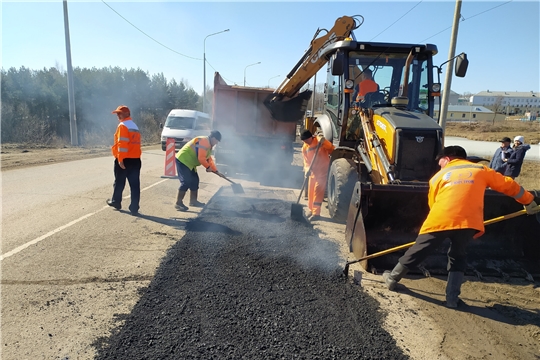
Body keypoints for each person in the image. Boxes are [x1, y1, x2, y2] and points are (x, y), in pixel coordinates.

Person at [381, 145, 539, 308]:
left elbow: (432, 203)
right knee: (458, 256)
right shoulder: (481, 170)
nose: (439, 165)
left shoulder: (437, 177)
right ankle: (452, 300)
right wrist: (528, 201)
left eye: (440, 161)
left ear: (448, 158)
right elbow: (509, 185)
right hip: (469, 222)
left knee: (419, 250)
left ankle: (392, 278)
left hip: (440, 219)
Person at [107, 105, 142, 215]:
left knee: (119, 182)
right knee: (135, 185)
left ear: (127, 114)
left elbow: (122, 144)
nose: (118, 115)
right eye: (117, 113)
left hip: (125, 159)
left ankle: (116, 201)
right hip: (136, 159)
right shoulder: (134, 126)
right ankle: (134, 207)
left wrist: (120, 159)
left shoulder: (123, 126)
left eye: (120, 113)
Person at [174, 130, 222, 211]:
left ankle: (193, 201)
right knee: (186, 182)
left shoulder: (209, 145)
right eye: (217, 141)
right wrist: (207, 167)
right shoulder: (204, 141)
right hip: (183, 160)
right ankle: (178, 203)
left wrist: (216, 171)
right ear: (213, 138)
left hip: (190, 163)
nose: (217, 143)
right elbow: (201, 158)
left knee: (195, 181)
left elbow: (209, 159)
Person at [300, 130, 335, 221]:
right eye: (304, 141)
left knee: (317, 190)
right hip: (313, 172)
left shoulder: (319, 140)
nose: (306, 142)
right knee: (310, 191)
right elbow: (306, 162)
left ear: (311, 137)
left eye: (306, 140)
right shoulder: (304, 147)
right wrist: (307, 170)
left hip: (322, 170)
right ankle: (311, 210)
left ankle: (316, 214)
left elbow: (331, 149)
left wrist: (324, 142)